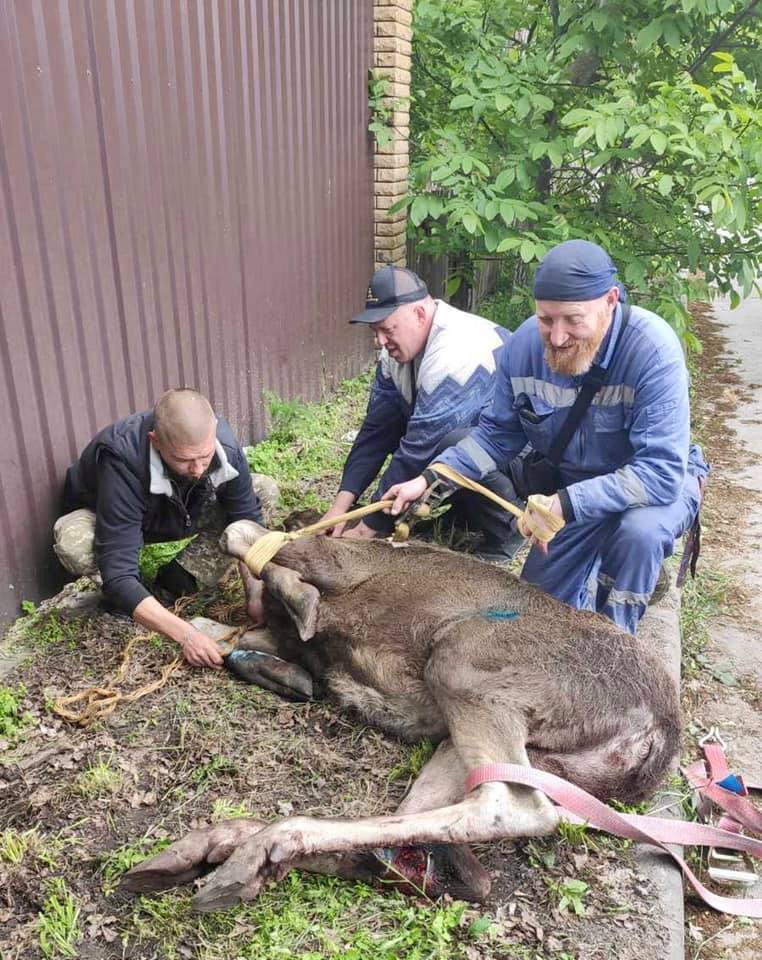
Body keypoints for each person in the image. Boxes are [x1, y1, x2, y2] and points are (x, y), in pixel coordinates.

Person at [386, 240, 708, 634]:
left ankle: (616, 642)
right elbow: (495, 435)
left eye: (573, 320)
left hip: (653, 490)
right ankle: (614, 571)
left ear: (610, 300)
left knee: (636, 535)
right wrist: (429, 478)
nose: (556, 337)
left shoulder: (652, 350)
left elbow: (660, 473)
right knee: (533, 617)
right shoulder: (522, 346)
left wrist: (566, 504)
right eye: (546, 319)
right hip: (574, 494)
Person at [320, 264, 521, 560]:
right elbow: (376, 432)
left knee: (455, 443)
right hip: (478, 449)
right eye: (375, 332)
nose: (380, 342)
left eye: (387, 330)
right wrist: (339, 509)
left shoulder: (458, 351)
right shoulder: (397, 354)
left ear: (419, 314)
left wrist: (366, 531)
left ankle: (507, 529)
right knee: (433, 436)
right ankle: (466, 514)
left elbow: (418, 448)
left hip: (523, 457)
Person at [54, 389, 265, 667]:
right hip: (114, 519)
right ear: (155, 441)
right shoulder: (121, 457)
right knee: (74, 541)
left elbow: (247, 521)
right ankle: (133, 598)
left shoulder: (221, 443)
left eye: (204, 456)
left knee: (265, 491)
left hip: (177, 510)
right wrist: (186, 635)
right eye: (185, 459)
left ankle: (176, 581)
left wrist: (257, 593)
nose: (199, 469)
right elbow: (118, 574)